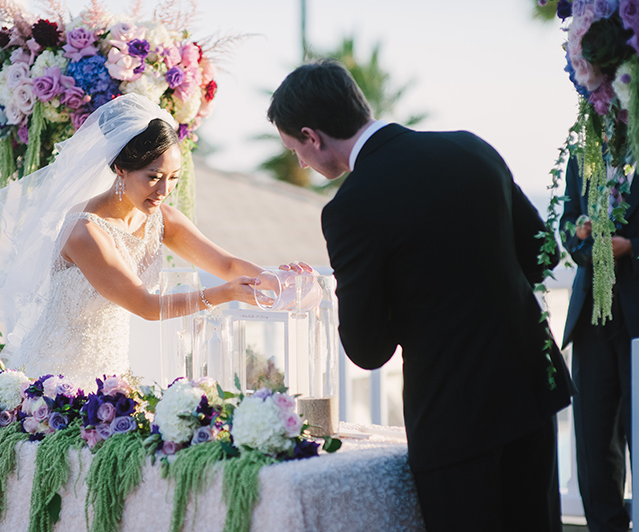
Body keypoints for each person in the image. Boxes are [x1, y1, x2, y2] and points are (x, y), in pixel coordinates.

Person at [267, 59, 573, 530]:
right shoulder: (471, 148)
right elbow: (542, 255)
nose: (302, 163)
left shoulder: (351, 208)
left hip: (454, 418)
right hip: (529, 390)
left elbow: (369, 349)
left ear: (312, 136)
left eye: (296, 151)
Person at [0, 94, 290, 389]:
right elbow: (146, 306)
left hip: (111, 374)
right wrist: (225, 293)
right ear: (120, 167)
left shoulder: (164, 220)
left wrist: (286, 282)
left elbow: (227, 264)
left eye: (173, 178)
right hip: (55, 377)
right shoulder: (85, 232)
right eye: (153, 176)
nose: (164, 191)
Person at [560, 155, 639, 532]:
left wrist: (632, 248)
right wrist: (579, 235)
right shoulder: (582, 154)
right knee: (594, 440)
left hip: (638, 317)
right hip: (591, 315)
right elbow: (566, 221)